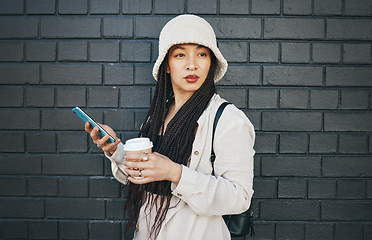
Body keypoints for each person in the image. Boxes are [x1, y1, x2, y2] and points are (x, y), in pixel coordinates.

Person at [85, 14, 255, 240]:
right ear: (166, 64)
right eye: (180, 54)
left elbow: (239, 197)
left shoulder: (228, 119)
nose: (192, 64)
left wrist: (175, 173)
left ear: (211, 62)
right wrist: (116, 151)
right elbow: (145, 175)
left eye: (202, 54)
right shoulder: (159, 114)